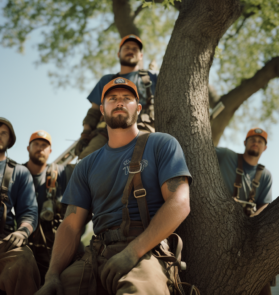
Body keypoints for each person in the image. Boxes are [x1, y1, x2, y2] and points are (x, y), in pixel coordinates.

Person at [35, 77, 192, 295]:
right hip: (95, 254)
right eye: (112, 98)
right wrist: (52, 275)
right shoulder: (85, 166)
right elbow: (71, 226)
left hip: (145, 252)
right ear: (102, 109)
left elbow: (180, 202)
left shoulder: (161, 144)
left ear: (138, 108)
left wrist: (132, 252)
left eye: (126, 98)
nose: (119, 102)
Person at [0, 117, 40, 295]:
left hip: (1, 239)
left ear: (10, 140)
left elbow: (29, 211)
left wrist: (22, 231)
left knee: (23, 260)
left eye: (4, 133)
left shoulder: (20, 172)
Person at [75, 34, 158, 159]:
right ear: (118, 54)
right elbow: (94, 111)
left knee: (144, 161)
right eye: (127, 48)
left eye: (135, 49)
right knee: (86, 161)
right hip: (106, 132)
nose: (130, 50)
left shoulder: (152, 77)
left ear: (141, 56)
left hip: (142, 129)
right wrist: (85, 135)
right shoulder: (107, 80)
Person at [216, 128, 273, 295]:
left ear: (265, 148)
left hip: (247, 233)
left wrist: (251, 221)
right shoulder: (225, 155)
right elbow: (199, 152)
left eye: (260, 141)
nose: (256, 142)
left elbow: (265, 205)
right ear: (244, 143)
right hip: (217, 224)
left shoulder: (265, 176)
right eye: (252, 139)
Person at [24, 130, 85, 284]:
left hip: (54, 242)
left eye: (44, 145)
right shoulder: (16, 174)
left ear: (50, 151)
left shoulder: (62, 173)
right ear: (28, 148)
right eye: (36, 144)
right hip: (22, 240)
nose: (40, 148)